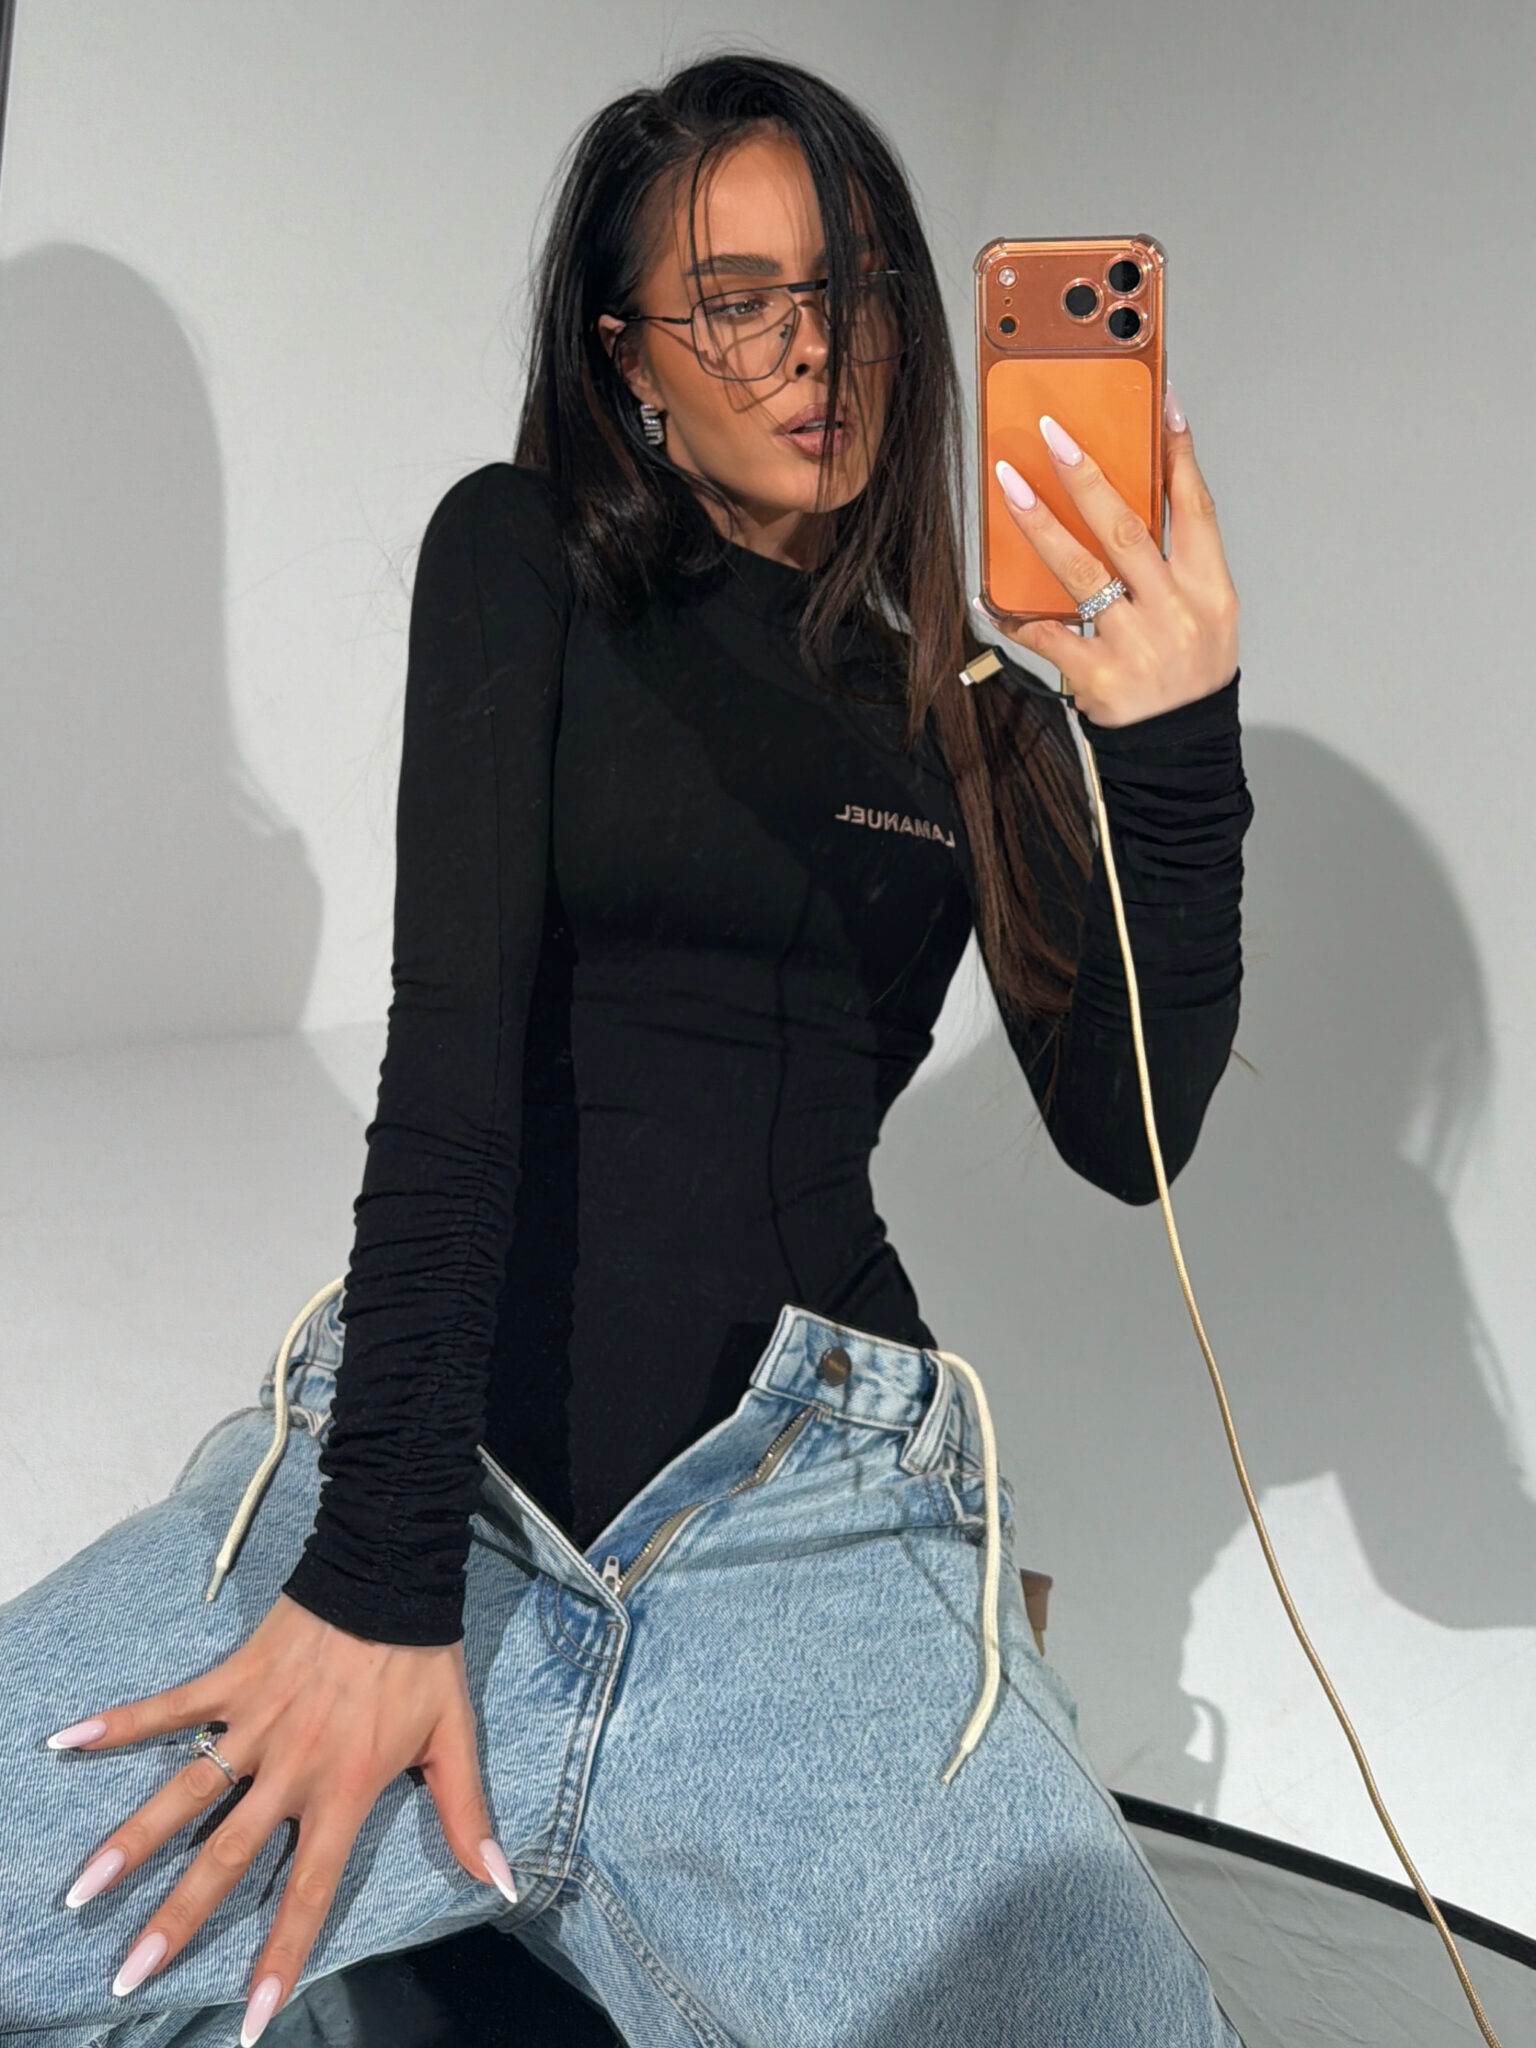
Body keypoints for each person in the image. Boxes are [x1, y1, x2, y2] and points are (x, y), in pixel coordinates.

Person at [0, 51, 1253, 2048]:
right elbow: (451, 1066)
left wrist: (1174, 745)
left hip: (813, 1517)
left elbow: (1133, 1134)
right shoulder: (523, 557)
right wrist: (379, 1580)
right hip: (441, 1483)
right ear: (628, 358)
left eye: (851, 288)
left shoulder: (973, 712)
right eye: (737, 301)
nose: (812, 348)